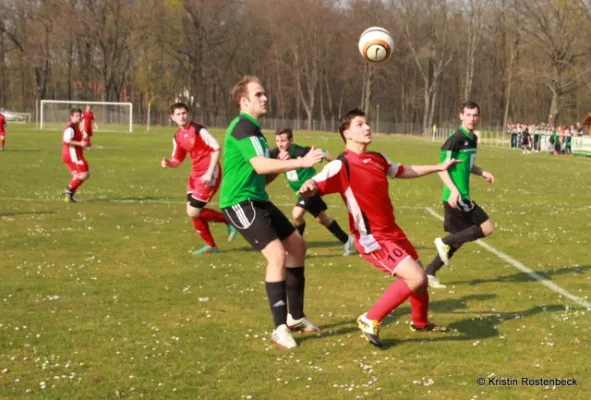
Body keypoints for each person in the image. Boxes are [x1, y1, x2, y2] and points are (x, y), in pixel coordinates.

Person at [298, 108, 458, 347]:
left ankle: (420, 323)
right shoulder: (342, 165)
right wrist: (309, 186)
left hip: (392, 231)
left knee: (421, 279)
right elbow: (317, 180)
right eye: (360, 124)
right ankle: (370, 318)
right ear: (347, 133)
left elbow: (403, 170)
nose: (367, 127)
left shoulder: (378, 158)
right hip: (372, 237)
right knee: (415, 278)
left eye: (367, 123)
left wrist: (437, 167)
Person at [219, 76, 325, 349]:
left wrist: (282, 166)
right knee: (277, 254)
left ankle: (296, 317)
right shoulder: (243, 127)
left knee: (297, 246)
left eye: (264, 94)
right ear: (244, 101)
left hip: (257, 199)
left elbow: (261, 176)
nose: (265, 98)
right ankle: (279, 328)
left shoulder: (253, 129)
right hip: (239, 203)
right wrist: (302, 161)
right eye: (259, 94)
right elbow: (260, 165)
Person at [424, 101, 496, 289]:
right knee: (487, 227)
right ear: (460, 115)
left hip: (460, 194)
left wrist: (482, 172)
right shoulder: (455, 138)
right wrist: (454, 190)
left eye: (475, 115)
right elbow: (442, 169)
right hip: (456, 196)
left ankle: (430, 272)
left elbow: (467, 165)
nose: (472, 119)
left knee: (460, 239)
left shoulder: (472, 139)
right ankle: (443, 241)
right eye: (468, 115)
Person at [161, 102, 237, 255]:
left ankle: (229, 221)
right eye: (178, 114)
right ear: (172, 117)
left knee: (193, 211)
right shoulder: (177, 136)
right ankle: (211, 246)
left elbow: (216, 148)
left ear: (188, 114)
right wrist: (169, 163)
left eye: (184, 113)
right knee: (193, 212)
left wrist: (209, 172)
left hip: (209, 172)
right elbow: (177, 160)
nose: (182, 116)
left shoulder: (198, 129)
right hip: (195, 174)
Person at [269, 128, 355, 255]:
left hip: (311, 189)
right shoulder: (275, 153)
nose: (280, 144)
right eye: (277, 141)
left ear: (291, 140)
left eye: (283, 140)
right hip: (299, 193)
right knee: (322, 219)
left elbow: (324, 153)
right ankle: (347, 240)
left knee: (296, 214)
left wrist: (336, 164)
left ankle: (295, 247)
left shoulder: (301, 151)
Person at [62, 108, 90, 202]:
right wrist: (81, 144)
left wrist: (85, 144)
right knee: (85, 174)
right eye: (76, 116)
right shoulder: (71, 127)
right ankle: (68, 190)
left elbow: (78, 140)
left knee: (77, 176)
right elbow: (67, 140)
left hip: (70, 154)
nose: (78, 118)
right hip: (72, 155)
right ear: (71, 117)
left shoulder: (77, 126)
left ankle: (69, 197)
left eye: (79, 116)